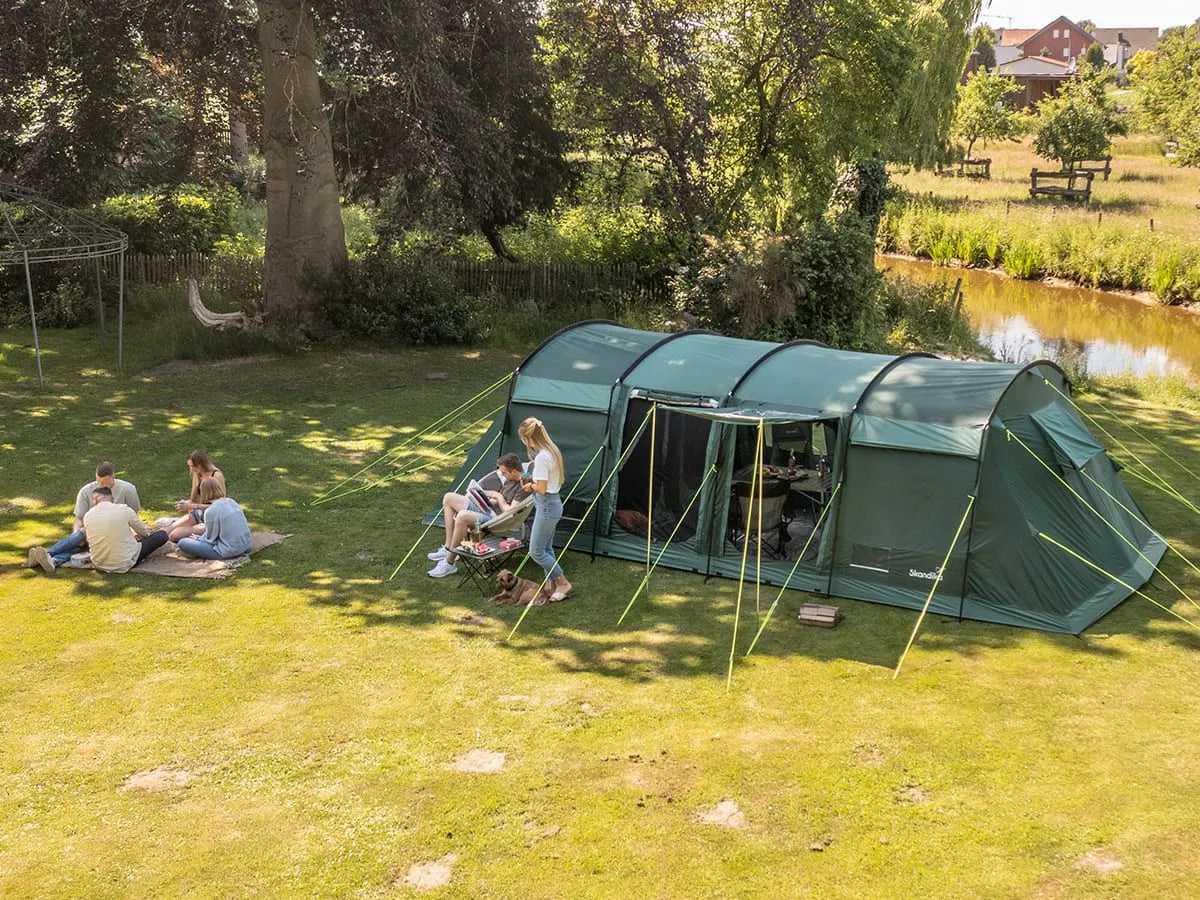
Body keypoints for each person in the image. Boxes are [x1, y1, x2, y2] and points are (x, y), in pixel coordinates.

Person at [428, 453, 530, 578]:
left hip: (497, 520)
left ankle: (449, 563)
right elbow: (500, 500)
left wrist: (498, 496)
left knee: (462, 516)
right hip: (489, 509)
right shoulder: (510, 479)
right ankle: (448, 547)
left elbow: (510, 511)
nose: (502, 475)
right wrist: (483, 498)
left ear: (514, 471)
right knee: (449, 497)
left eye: (504, 473)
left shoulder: (524, 486)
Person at [25, 460, 140, 570]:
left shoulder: (128, 489)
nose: (100, 485)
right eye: (98, 481)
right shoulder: (86, 491)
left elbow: (133, 516)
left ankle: (47, 557)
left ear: (113, 476)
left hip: (114, 532)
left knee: (83, 546)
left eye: (104, 482)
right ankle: (51, 559)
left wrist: (134, 533)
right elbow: (79, 518)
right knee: (80, 540)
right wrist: (76, 535)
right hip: (90, 532)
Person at [28, 487, 167, 574]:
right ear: (112, 499)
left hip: (99, 563)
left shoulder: (88, 516)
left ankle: (51, 557)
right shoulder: (124, 509)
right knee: (161, 535)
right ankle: (51, 558)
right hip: (125, 562)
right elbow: (144, 533)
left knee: (80, 545)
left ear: (94, 500)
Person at [516, 417, 572, 602]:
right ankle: (550, 583)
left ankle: (563, 582)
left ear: (528, 438)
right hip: (552, 503)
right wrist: (534, 484)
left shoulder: (541, 457)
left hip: (547, 505)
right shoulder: (552, 450)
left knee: (536, 551)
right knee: (546, 548)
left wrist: (529, 487)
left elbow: (540, 488)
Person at [177, 478, 252, 560]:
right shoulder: (231, 501)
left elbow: (210, 538)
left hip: (229, 551)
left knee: (183, 542)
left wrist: (198, 539)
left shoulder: (211, 511)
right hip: (246, 546)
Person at [166, 449, 227, 542]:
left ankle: (201, 537)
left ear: (201, 464)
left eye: (193, 466)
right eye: (190, 466)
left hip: (213, 518)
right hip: (199, 513)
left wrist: (193, 506)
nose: (191, 469)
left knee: (174, 535)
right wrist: (184, 504)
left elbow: (222, 506)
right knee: (167, 530)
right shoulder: (197, 474)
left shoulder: (216, 475)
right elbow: (193, 499)